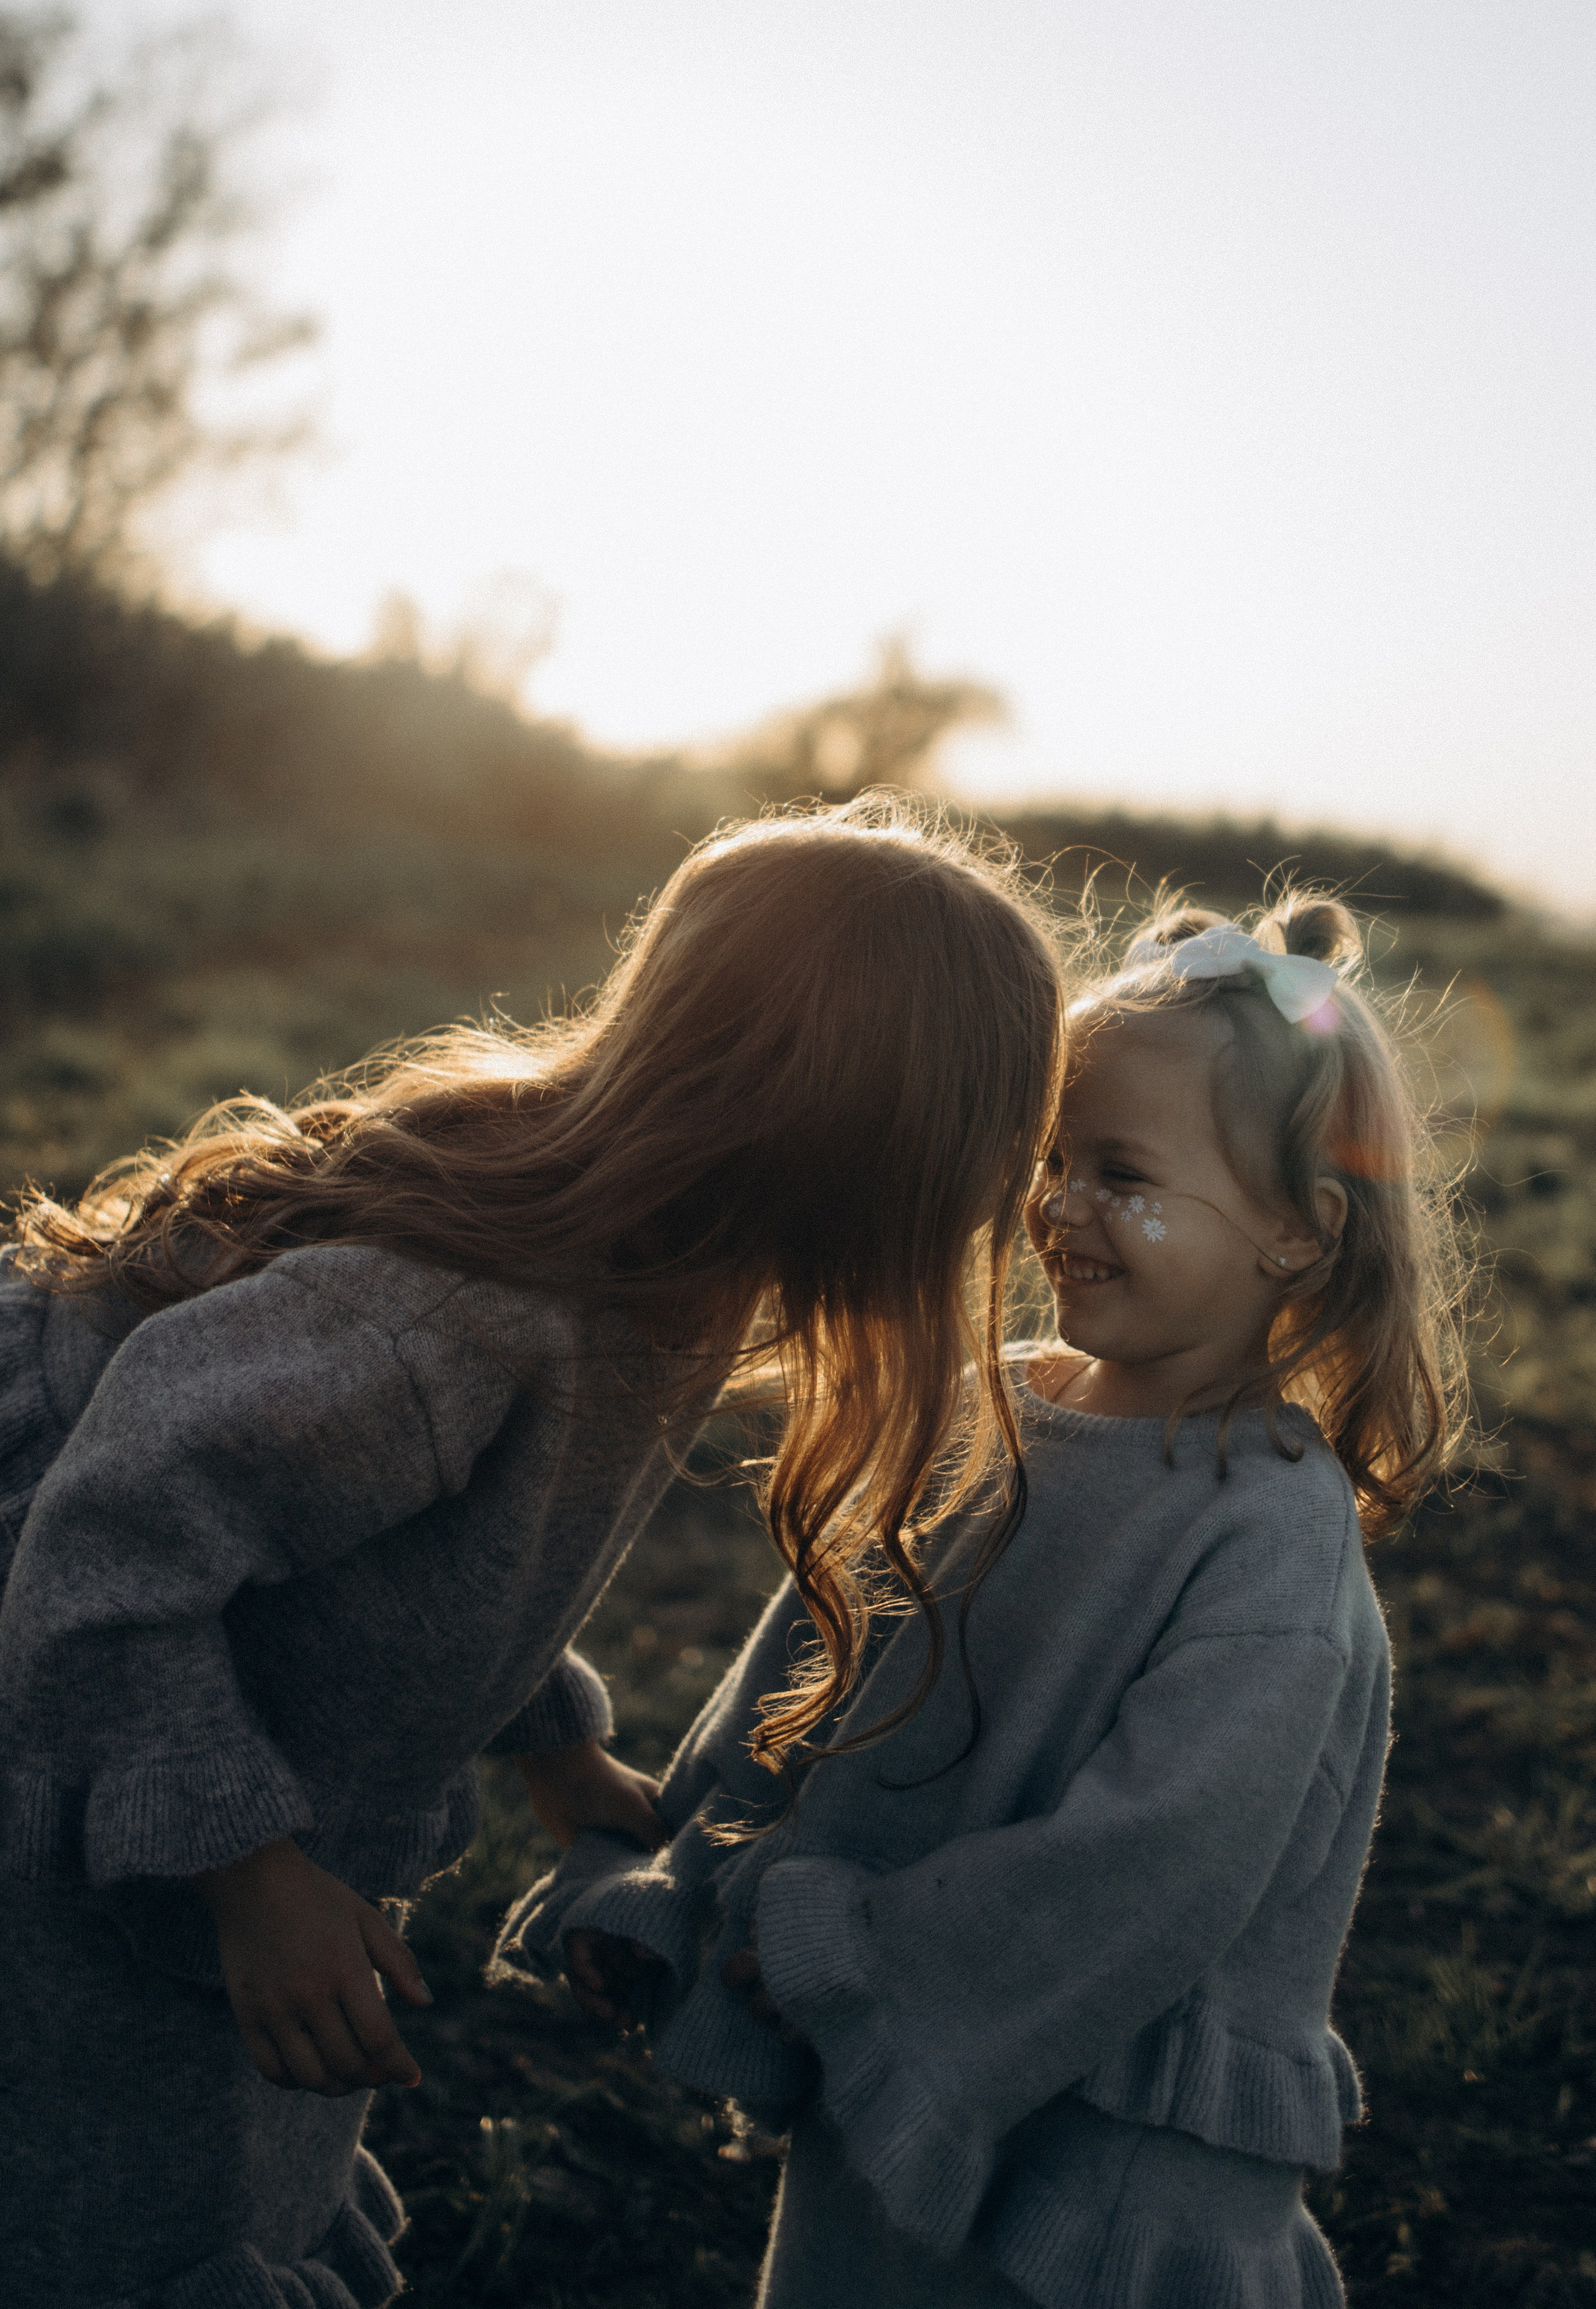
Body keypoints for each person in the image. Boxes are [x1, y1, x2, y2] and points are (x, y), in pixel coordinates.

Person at [0, 798, 1065, 2309]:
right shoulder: (454, 1318)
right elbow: (101, 1547)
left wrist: (554, 1745)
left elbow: (435, 1564)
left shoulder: (672, 1274)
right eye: (995, 1133)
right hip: (77, 1796)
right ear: (870, 1129)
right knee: (103, 2219)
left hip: (215, 1818)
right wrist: (251, 1877)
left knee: (233, 2162)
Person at [499, 894, 1468, 2309]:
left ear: (1295, 1231)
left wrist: (868, 1958)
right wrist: (679, 1883)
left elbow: (1154, 1861)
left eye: (1122, 1171)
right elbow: (822, 1668)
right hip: (876, 2072)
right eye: (1053, 1160)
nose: (1061, 1208)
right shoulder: (993, 1407)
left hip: (1093, 2155)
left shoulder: (1268, 1538)